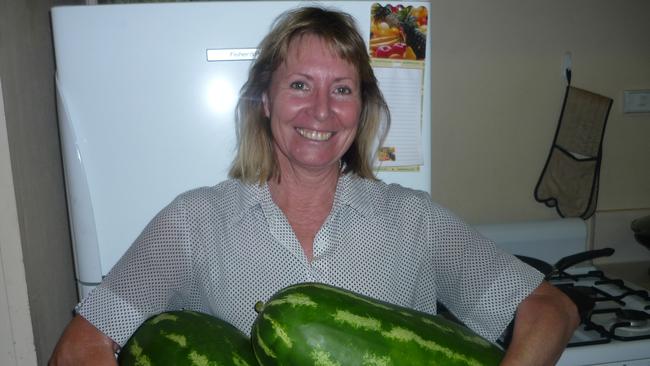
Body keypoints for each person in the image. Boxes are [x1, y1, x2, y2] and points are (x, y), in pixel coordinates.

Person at [50, 6, 578, 366]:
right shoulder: (195, 221)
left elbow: (552, 309)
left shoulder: (414, 220)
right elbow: (80, 348)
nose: (320, 111)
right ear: (266, 102)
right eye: (300, 85)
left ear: (361, 108)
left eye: (342, 89)